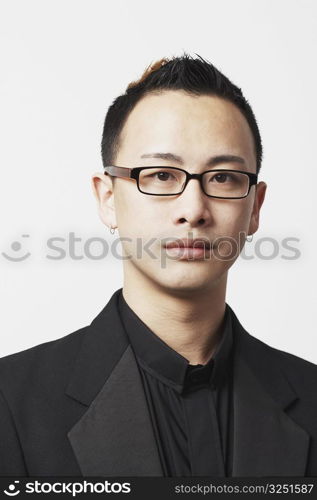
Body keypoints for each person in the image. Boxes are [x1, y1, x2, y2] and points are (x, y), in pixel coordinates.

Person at [1, 54, 316, 478]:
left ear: (254, 207)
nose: (193, 210)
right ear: (107, 198)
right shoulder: (12, 401)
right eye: (162, 175)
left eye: (223, 178)